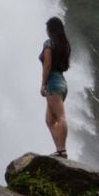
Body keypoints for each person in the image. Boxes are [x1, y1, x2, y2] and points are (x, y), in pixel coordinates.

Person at [39, 15, 71, 158]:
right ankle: (59, 149)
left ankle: (62, 150)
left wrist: (43, 85)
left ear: (50, 29)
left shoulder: (48, 44)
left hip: (53, 83)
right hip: (62, 82)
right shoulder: (64, 45)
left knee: (60, 117)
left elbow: (47, 66)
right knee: (50, 120)